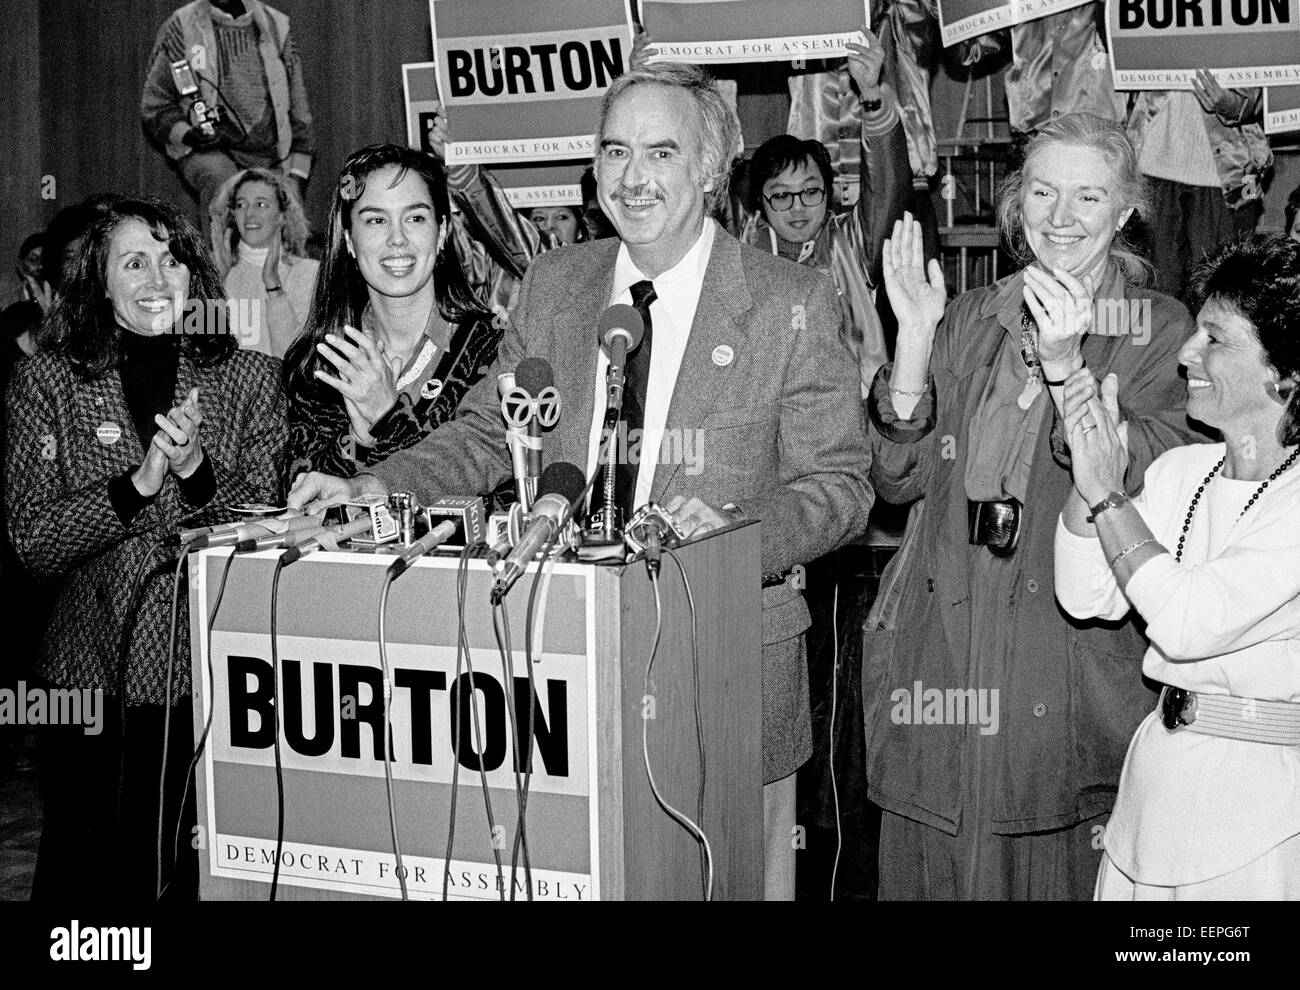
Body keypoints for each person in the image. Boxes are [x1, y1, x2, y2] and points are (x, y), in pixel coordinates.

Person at [287, 61, 873, 901]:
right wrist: (386, 486)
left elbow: (840, 486)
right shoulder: (558, 285)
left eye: (661, 153)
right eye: (614, 151)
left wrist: (737, 534)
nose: (634, 177)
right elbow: (495, 428)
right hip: (564, 662)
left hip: (727, 667)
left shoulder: (794, 299)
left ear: (710, 170)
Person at [863, 113, 1207, 900]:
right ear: (1017, 205)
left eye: (1087, 197)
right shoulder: (973, 315)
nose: (1060, 218)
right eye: (1043, 192)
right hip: (943, 652)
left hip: (1061, 659)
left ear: (1125, 211)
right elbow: (896, 480)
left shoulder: (1159, 328)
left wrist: (1064, 368)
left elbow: (1141, 478)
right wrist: (913, 338)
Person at [5, 197, 286, 900]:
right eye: (135, 262)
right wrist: (135, 486)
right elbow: (32, 541)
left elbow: (266, 522)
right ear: (100, 280)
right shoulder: (47, 382)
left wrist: (193, 474)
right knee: (87, 878)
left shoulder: (250, 378)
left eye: (173, 260)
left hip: (211, 679)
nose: (159, 278)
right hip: (88, 682)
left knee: (190, 873)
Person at [1055, 234, 1300, 899]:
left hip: (1257, 810)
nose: (1187, 353)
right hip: (1154, 787)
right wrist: (1088, 480)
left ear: (1287, 373)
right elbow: (1086, 596)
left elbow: (1188, 621)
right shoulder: (1183, 470)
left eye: (1215, 340)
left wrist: (1110, 495)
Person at [281, 144, 510, 487]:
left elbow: (500, 495)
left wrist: (388, 419)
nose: (397, 239)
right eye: (376, 220)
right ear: (349, 241)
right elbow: (298, 493)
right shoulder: (318, 362)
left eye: (415, 218)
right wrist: (360, 440)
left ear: (442, 232)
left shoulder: (495, 347)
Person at [740, 27, 909, 392]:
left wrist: (871, 95)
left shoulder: (849, 241)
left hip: (849, 408)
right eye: (781, 196)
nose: (798, 207)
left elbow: (887, 185)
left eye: (811, 192)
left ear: (829, 194)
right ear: (760, 202)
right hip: (760, 409)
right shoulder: (739, 243)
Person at [140, 0, 315, 220]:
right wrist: (188, 134)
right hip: (208, 150)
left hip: (272, 157)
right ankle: (218, 252)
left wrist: (297, 173)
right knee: (223, 183)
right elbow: (155, 103)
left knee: (283, 220)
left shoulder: (276, 26)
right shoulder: (183, 26)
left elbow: (299, 108)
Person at [1127, 71, 1270, 301]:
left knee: (1223, 287)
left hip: (1230, 170)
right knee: (1157, 288)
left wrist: (1234, 104)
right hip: (1151, 160)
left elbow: (1275, 74)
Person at [210, 167, 319, 358]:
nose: (250, 214)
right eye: (241, 205)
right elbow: (197, 350)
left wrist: (273, 286)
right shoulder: (215, 268)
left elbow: (294, 358)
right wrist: (216, 280)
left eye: (261, 204)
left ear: (282, 216)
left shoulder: (307, 272)